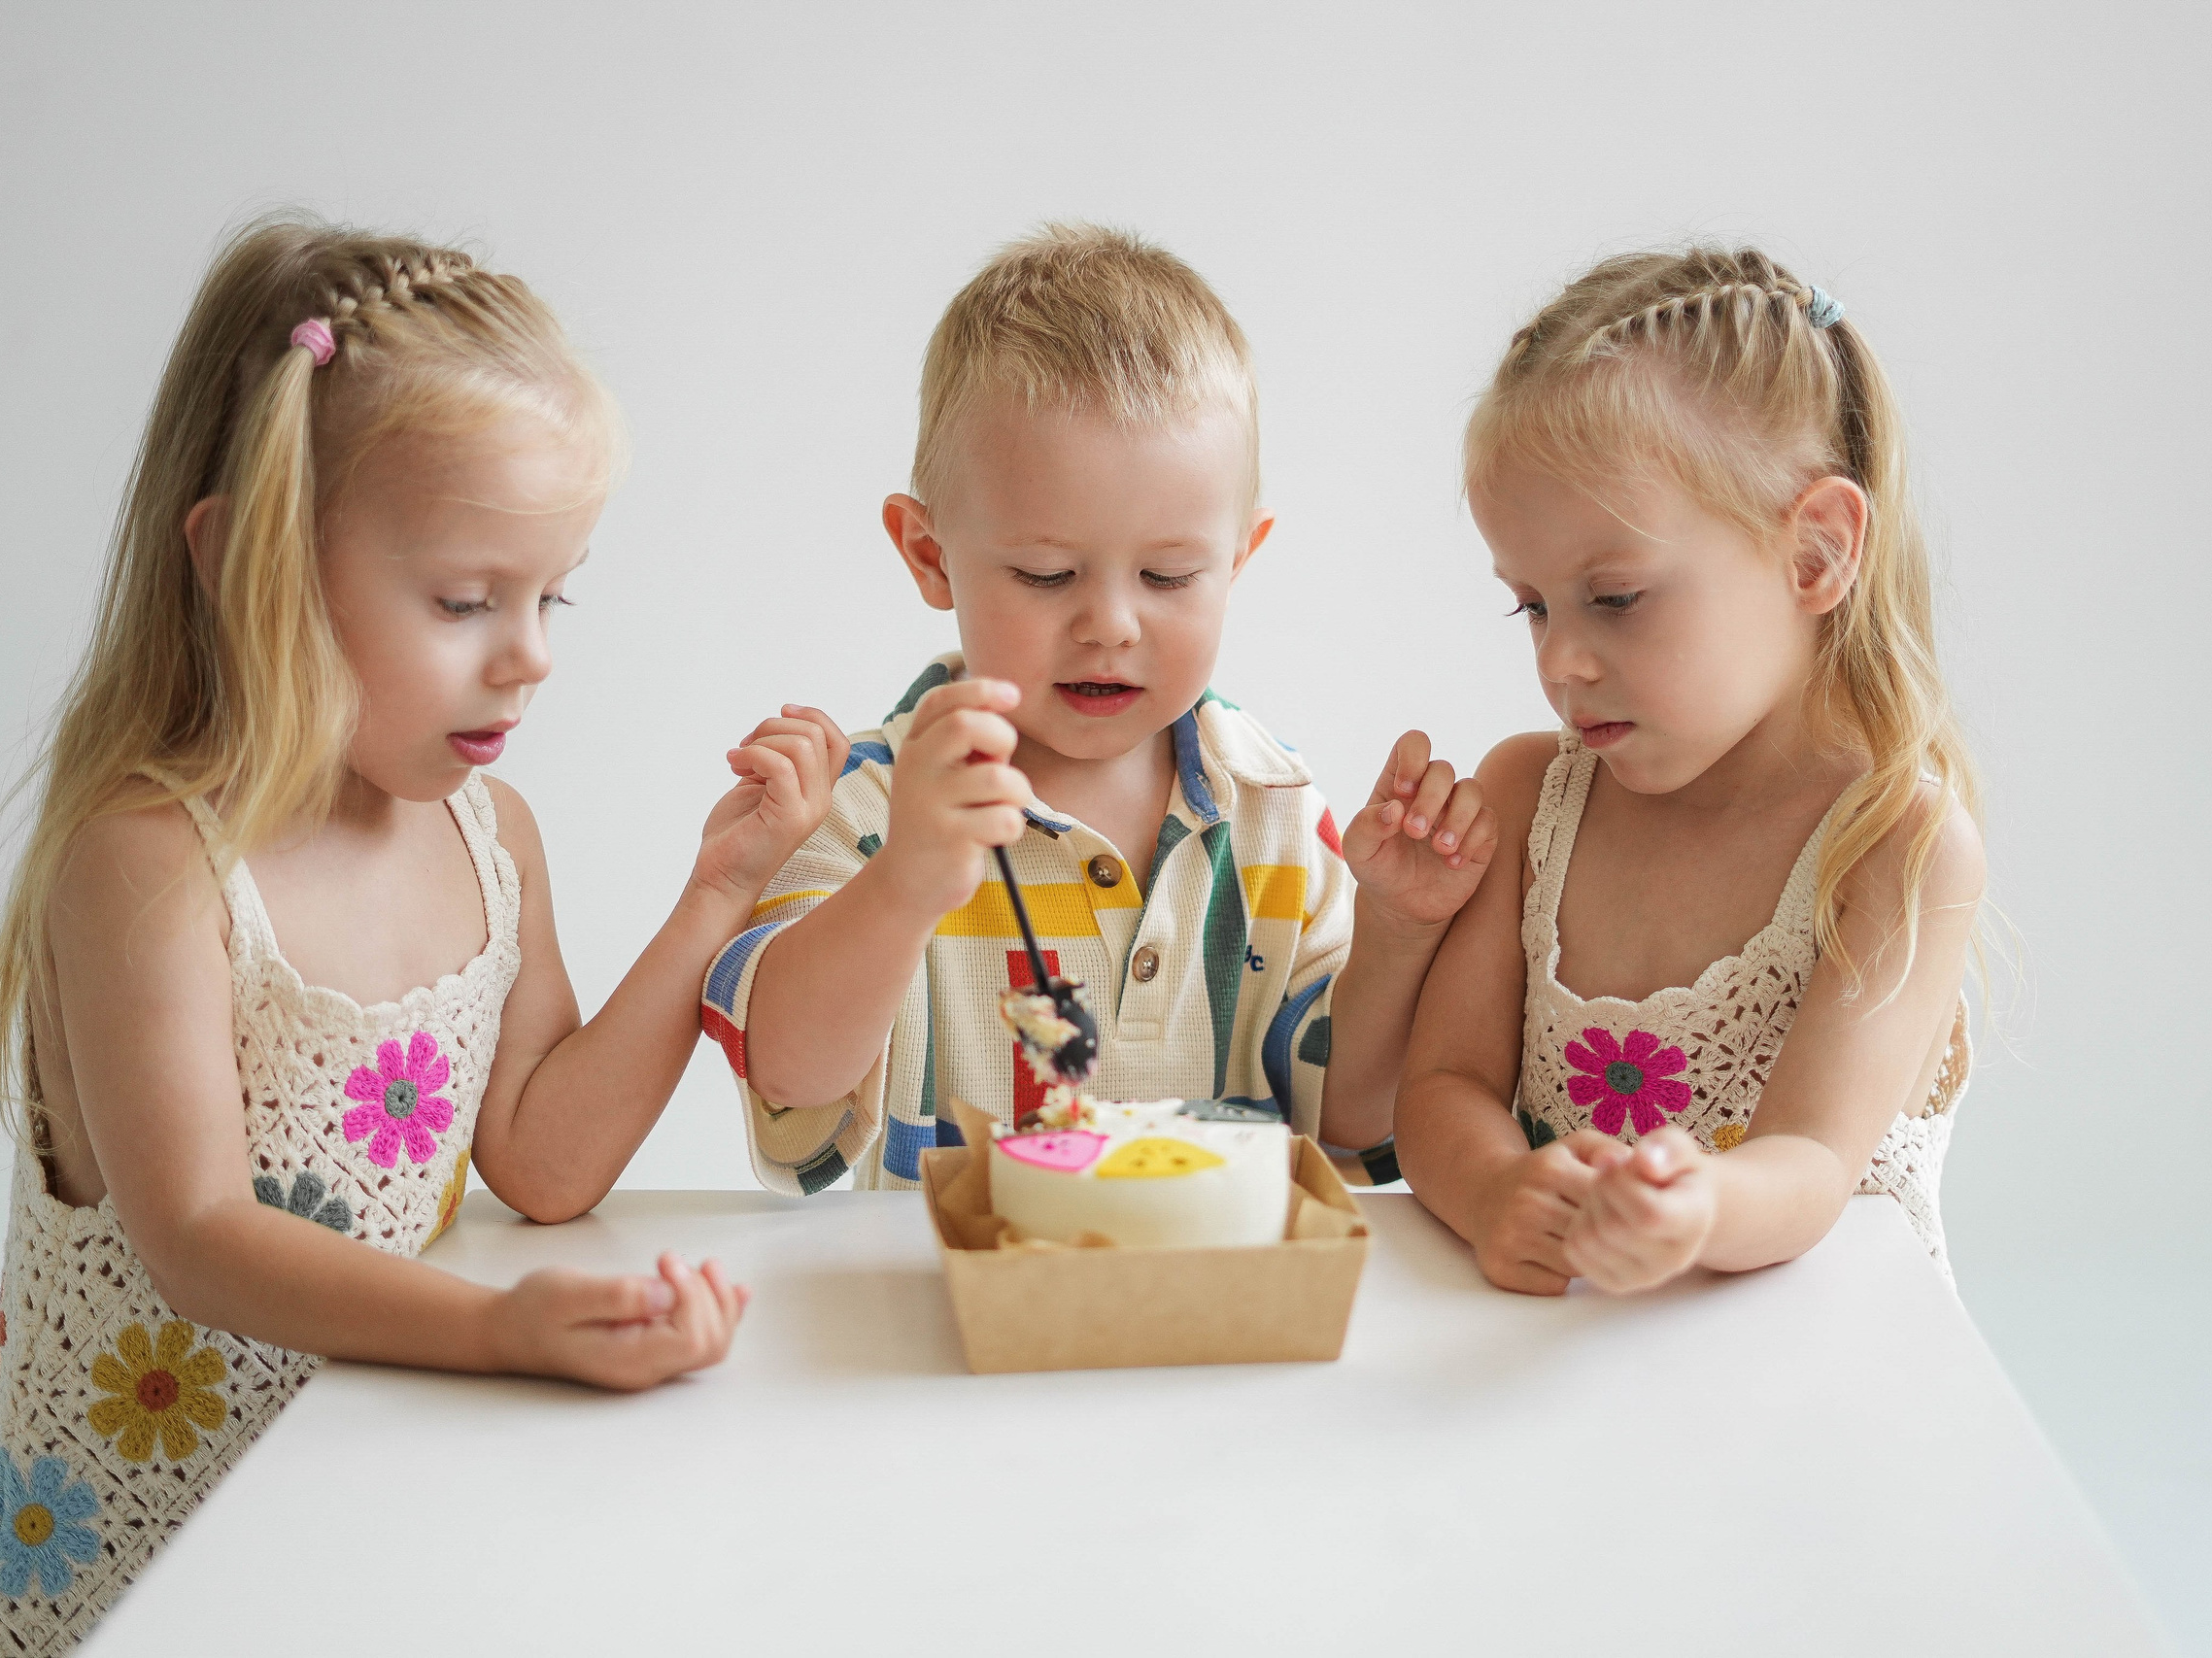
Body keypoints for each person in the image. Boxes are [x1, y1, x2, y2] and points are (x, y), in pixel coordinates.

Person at [0, 217, 842, 1654]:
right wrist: (496, 1328)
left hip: (343, 1530)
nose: (530, 649)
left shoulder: (489, 839)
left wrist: (716, 898)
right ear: (249, 565)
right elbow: (203, 1238)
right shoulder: (147, 862)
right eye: (466, 599)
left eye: (553, 594)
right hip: (125, 1580)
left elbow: (542, 1163)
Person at [702, 223, 1494, 1194]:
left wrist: (1401, 934)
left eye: (1168, 575)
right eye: (1046, 575)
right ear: (928, 554)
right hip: (954, 1329)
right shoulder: (864, 809)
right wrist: (908, 881)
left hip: (1219, 1323)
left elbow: (1351, 1126)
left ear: (1238, 561)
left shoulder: (1274, 810)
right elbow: (793, 1091)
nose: (1110, 624)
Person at [1398, 248, 1982, 1295]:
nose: (1559, 661)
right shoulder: (1534, 799)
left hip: (1817, 1366)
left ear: (1813, 554)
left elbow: (1809, 1161)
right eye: (1531, 605)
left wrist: (1696, 1203)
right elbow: (1444, 1082)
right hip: (1575, 1359)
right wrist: (1493, 1191)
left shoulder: (1893, 843)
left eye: (1615, 598)